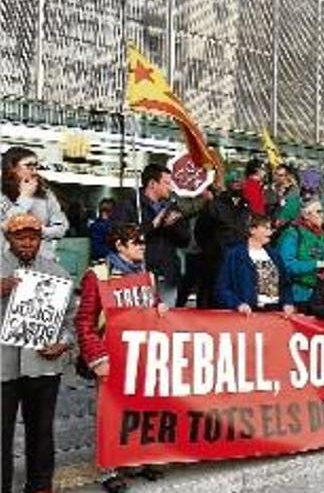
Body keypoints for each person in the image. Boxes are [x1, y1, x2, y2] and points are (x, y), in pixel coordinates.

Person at [74, 222, 166, 492]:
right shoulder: (98, 274)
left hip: (142, 354)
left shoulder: (147, 276)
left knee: (142, 410)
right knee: (111, 413)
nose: (142, 246)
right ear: (120, 245)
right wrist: (96, 356)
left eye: (143, 241)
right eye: (136, 242)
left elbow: (153, 306)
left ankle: (138, 458)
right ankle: (108, 469)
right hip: (110, 355)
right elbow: (84, 321)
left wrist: (159, 307)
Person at [1, 214, 76, 493]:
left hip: (43, 367)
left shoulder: (58, 273)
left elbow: (72, 321)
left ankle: (40, 485)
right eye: (21, 237)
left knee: (42, 431)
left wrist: (63, 343)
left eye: (33, 237)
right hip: (2, 368)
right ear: (9, 239)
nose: (28, 243)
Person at [112, 163, 190, 305]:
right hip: (138, 274)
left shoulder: (172, 207)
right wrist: (153, 225)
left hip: (167, 275)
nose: (170, 187)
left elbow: (185, 240)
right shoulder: (129, 205)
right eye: (166, 183)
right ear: (153, 184)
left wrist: (173, 226)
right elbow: (119, 236)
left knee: (165, 320)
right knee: (140, 319)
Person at [215, 214, 295, 316]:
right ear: (252, 230)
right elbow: (222, 288)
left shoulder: (275, 255)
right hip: (249, 313)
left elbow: (285, 284)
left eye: (270, 228)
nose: (270, 232)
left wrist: (288, 303)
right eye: (266, 228)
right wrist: (238, 304)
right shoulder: (235, 254)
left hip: (274, 312)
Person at [0, 147, 69, 259]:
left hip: (42, 263)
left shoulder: (45, 194)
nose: (34, 171)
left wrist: (41, 231)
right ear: (12, 168)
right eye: (29, 166)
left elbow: (62, 227)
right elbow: (5, 227)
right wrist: (25, 197)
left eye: (35, 166)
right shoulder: (2, 195)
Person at [193, 180, 251, 307]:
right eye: (234, 181)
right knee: (212, 299)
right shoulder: (214, 205)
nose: (238, 184)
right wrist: (212, 250)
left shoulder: (246, 206)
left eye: (240, 181)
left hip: (238, 262)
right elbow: (200, 232)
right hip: (215, 261)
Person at [278, 199, 324, 312]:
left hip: (322, 296)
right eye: (318, 212)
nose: (322, 215)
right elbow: (287, 265)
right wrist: (316, 264)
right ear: (306, 215)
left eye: (322, 212)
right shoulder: (293, 234)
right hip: (298, 297)